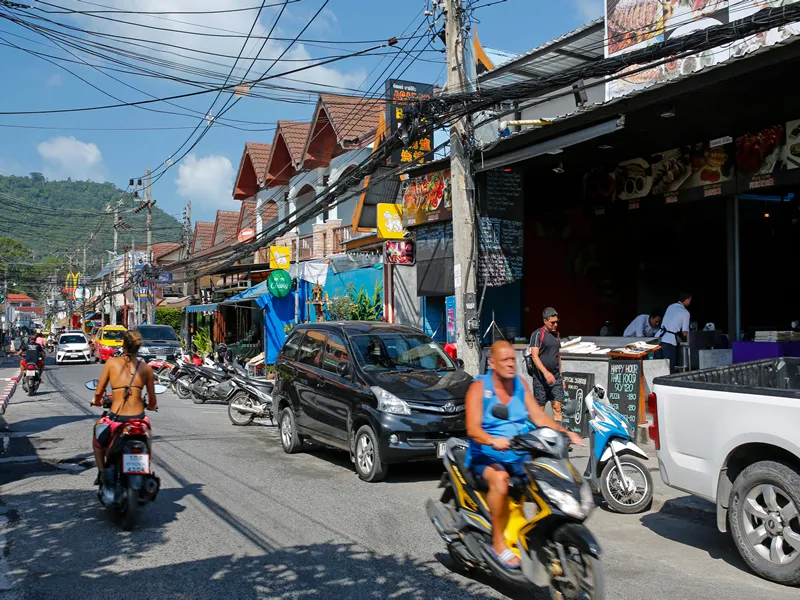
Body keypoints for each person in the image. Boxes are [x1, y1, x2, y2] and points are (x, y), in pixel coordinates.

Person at [465, 341, 582, 569]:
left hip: (517, 453)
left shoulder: (519, 385)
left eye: (513, 359)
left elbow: (538, 418)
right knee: (500, 480)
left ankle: (544, 536)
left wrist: (564, 432)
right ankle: (498, 543)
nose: (511, 364)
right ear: (492, 363)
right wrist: (492, 440)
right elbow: (472, 429)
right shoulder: (480, 387)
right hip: (486, 456)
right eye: (505, 360)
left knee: (547, 479)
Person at [91, 330, 158, 485]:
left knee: (97, 435)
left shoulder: (111, 363)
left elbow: (99, 392)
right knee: (147, 437)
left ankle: (102, 473)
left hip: (117, 418)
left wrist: (96, 400)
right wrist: (151, 406)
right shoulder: (146, 368)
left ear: (123, 344)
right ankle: (144, 467)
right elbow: (153, 402)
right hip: (139, 419)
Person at [529, 307, 565, 425]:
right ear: (545, 321)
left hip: (556, 377)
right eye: (552, 322)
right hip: (540, 378)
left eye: (557, 322)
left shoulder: (557, 335)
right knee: (540, 409)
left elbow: (558, 356)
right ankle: (539, 437)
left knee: (557, 407)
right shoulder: (538, 334)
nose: (555, 325)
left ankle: (559, 436)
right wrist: (545, 373)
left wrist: (561, 376)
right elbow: (534, 356)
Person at [660, 292, 692, 373]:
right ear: (687, 299)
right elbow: (685, 332)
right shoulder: (685, 313)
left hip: (659, 338)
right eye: (690, 300)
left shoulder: (671, 306)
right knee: (669, 368)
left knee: (659, 366)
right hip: (669, 341)